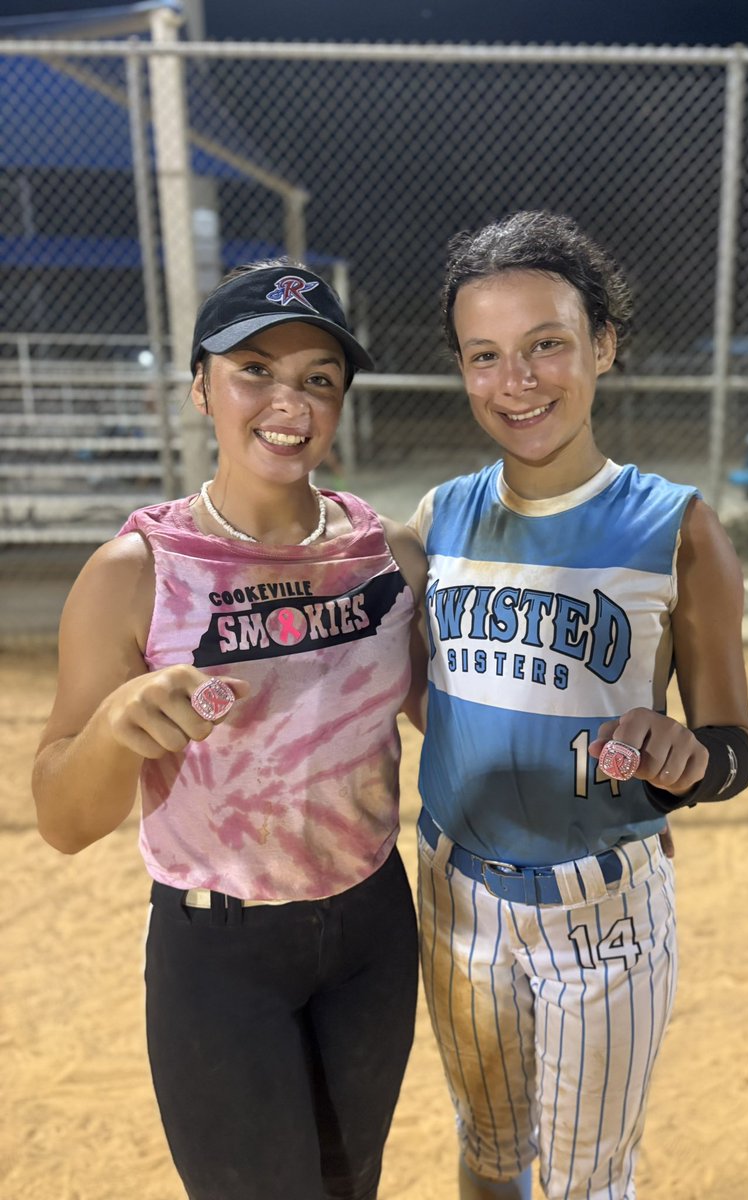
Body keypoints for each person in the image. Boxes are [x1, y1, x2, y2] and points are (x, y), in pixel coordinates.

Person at [32, 261, 427, 1200]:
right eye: (254, 368)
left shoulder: (387, 556)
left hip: (372, 929)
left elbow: (448, 719)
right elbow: (61, 817)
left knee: (349, 1185)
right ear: (201, 388)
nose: (287, 400)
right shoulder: (138, 570)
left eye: (318, 378)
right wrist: (119, 728)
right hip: (220, 952)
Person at [408, 211, 748, 1200]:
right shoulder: (438, 520)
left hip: (599, 917)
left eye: (546, 344)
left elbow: (731, 747)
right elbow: (411, 683)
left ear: (602, 345)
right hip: (454, 897)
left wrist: (681, 755)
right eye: (486, 355)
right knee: (486, 1154)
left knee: (586, 1182)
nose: (516, 381)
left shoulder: (676, 526)